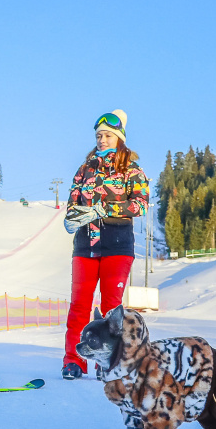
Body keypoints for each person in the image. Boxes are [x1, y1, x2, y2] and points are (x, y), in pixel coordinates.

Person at [61, 110, 148, 379]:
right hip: (85, 245)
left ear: (119, 138)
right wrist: (72, 218)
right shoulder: (85, 169)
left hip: (117, 244)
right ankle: (74, 361)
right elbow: (73, 201)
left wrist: (105, 209)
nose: (102, 140)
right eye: (99, 135)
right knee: (79, 306)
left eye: (108, 135)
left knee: (112, 308)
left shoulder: (131, 169)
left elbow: (141, 204)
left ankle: (108, 363)